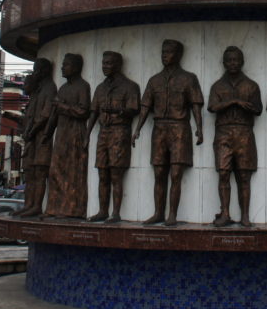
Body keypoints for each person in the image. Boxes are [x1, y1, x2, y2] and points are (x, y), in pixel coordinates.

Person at [132, 39, 204, 226]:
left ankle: (172, 214)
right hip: (159, 129)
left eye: (169, 52)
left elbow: (196, 105)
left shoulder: (189, 78)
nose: (164, 55)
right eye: (163, 51)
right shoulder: (154, 80)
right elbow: (145, 106)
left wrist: (199, 128)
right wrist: (137, 129)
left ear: (178, 55)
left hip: (180, 128)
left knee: (176, 174)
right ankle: (158, 213)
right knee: (159, 173)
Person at [208, 46, 263, 227]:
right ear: (224, 63)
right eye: (229, 60)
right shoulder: (217, 86)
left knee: (244, 176)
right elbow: (212, 107)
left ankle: (245, 215)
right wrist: (234, 101)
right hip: (223, 132)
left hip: (244, 133)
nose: (233, 63)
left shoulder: (251, 85)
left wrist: (247, 106)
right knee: (223, 173)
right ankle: (225, 213)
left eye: (236, 60)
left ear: (242, 62)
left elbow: (258, 110)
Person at [86, 51, 141, 223]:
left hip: (119, 132)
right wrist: (87, 135)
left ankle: (115, 213)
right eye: (103, 63)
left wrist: (118, 111)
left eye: (108, 63)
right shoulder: (100, 88)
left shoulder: (129, 86)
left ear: (118, 65)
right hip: (103, 133)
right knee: (102, 173)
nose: (105, 67)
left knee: (116, 174)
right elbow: (93, 112)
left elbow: (134, 109)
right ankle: (102, 210)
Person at [44, 53, 91, 218]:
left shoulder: (82, 86)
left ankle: (72, 208)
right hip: (61, 133)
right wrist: (47, 133)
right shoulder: (63, 88)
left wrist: (63, 107)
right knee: (55, 170)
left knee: (72, 171)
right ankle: (54, 206)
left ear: (77, 67)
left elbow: (83, 111)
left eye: (67, 64)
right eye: (63, 64)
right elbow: (54, 114)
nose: (63, 67)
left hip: (75, 132)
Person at [15, 58, 58, 217]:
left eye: (38, 69)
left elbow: (45, 114)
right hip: (31, 137)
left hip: (42, 137)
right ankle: (29, 204)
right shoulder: (37, 91)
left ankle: (37, 206)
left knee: (40, 172)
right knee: (30, 172)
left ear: (45, 71)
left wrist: (32, 131)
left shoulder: (49, 89)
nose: (35, 73)